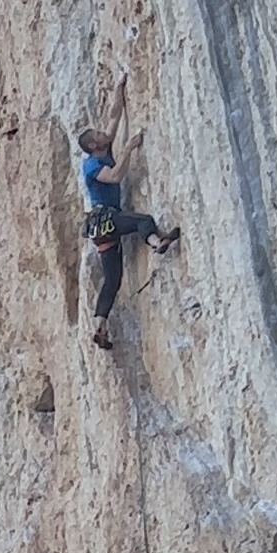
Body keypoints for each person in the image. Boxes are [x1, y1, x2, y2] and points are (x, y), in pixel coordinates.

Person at [78, 75, 178, 349]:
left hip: (99, 229)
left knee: (113, 279)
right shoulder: (92, 166)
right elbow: (115, 176)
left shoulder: (102, 149)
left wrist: (119, 88)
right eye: (99, 137)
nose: (104, 134)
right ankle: (158, 242)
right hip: (105, 218)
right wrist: (129, 149)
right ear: (93, 147)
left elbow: (114, 116)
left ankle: (100, 324)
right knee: (142, 220)